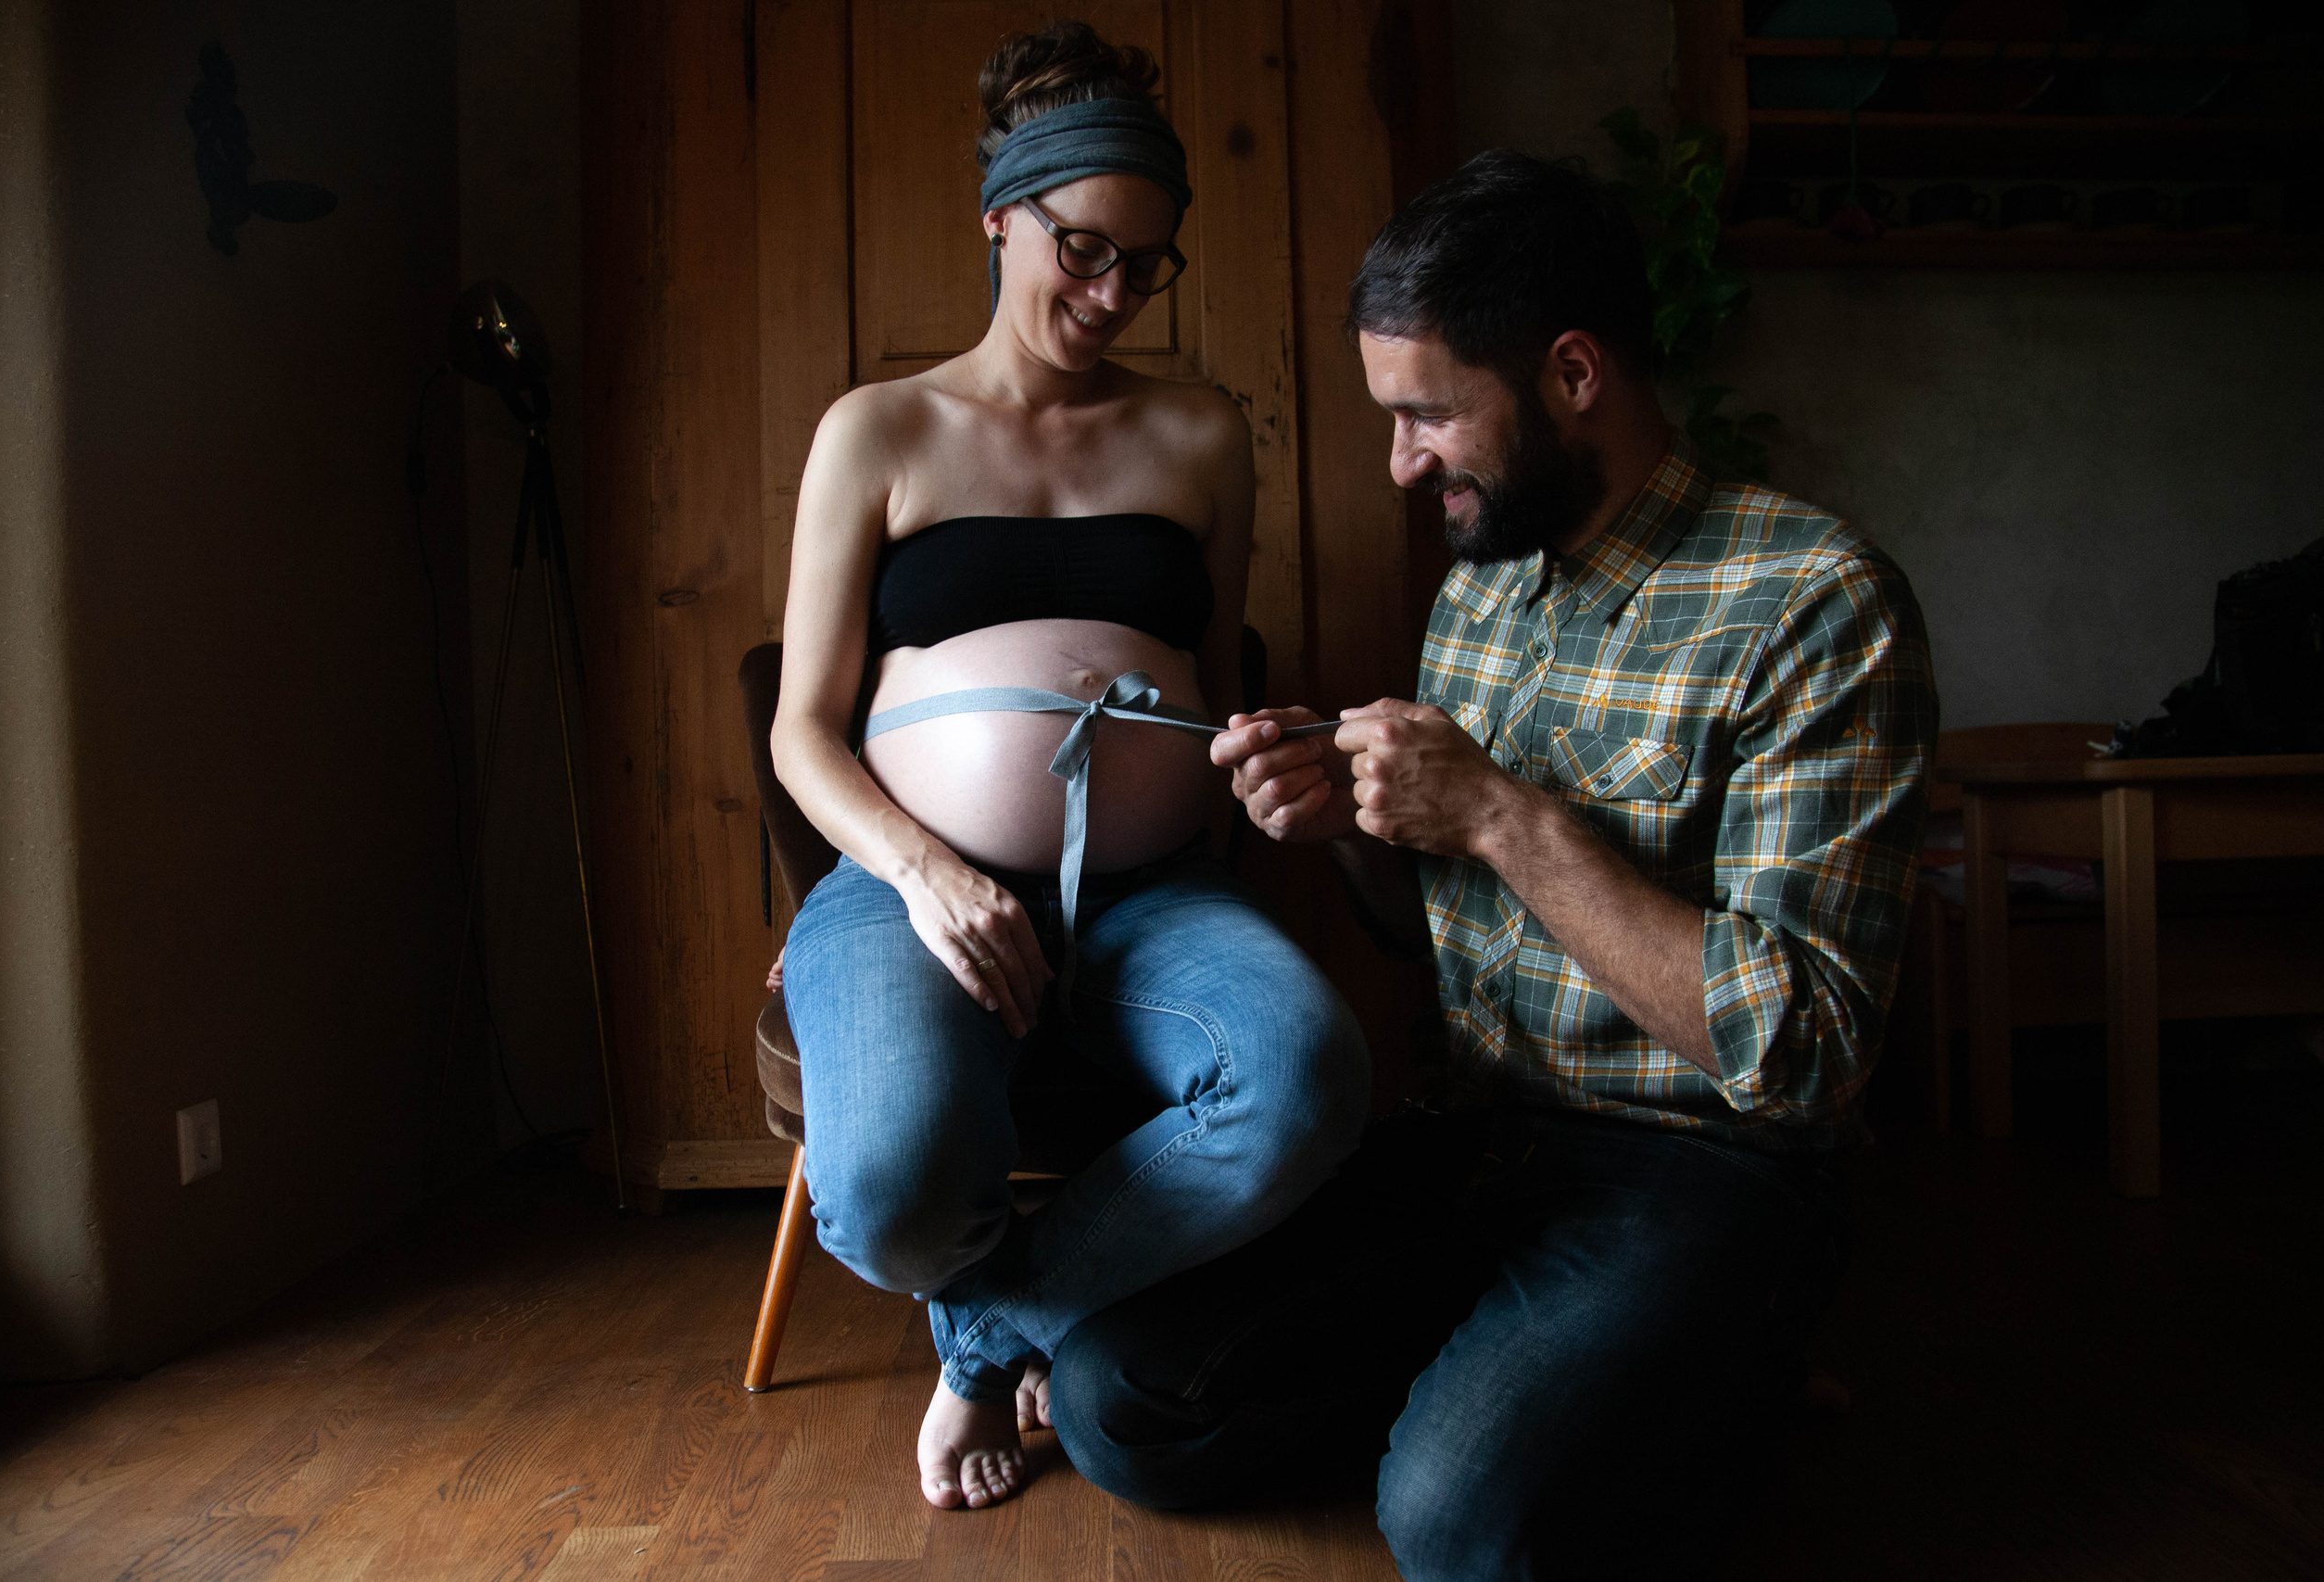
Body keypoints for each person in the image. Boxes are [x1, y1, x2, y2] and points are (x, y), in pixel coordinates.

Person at [1047, 149, 1938, 1579]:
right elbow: (1423, 936)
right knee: (1114, 1399)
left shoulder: (1816, 605)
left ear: (1573, 373)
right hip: (1477, 1140)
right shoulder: (1480, 588)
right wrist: (1348, 829)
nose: (1402, 465)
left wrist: (1504, 816)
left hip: (1707, 1174)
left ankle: (1708, 1373)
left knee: (1461, 1525)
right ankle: (1568, 1397)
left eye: (1427, 416)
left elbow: (1808, 1051)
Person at [769, 21, 1370, 1515]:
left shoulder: (1201, 434)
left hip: (1153, 896)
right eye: (1083, 252)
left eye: (1146, 266)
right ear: (1000, 217)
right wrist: (933, 876)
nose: (1112, 298)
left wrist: (1263, 759)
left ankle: (983, 1344)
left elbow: (1224, 688)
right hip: (914, 887)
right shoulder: (878, 432)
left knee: (1307, 1076)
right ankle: (988, 1309)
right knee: (896, 1186)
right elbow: (800, 727)